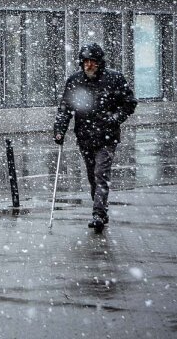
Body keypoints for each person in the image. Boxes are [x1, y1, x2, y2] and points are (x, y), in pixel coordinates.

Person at [53, 43, 137, 233]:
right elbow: (65, 109)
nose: (89, 65)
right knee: (92, 176)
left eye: (92, 62)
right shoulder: (75, 81)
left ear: (100, 63)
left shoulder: (114, 79)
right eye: (86, 62)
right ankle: (101, 209)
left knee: (101, 174)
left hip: (107, 137)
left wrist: (115, 118)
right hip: (85, 136)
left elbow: (129, 103)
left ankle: (98, 213)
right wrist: (59, 130)